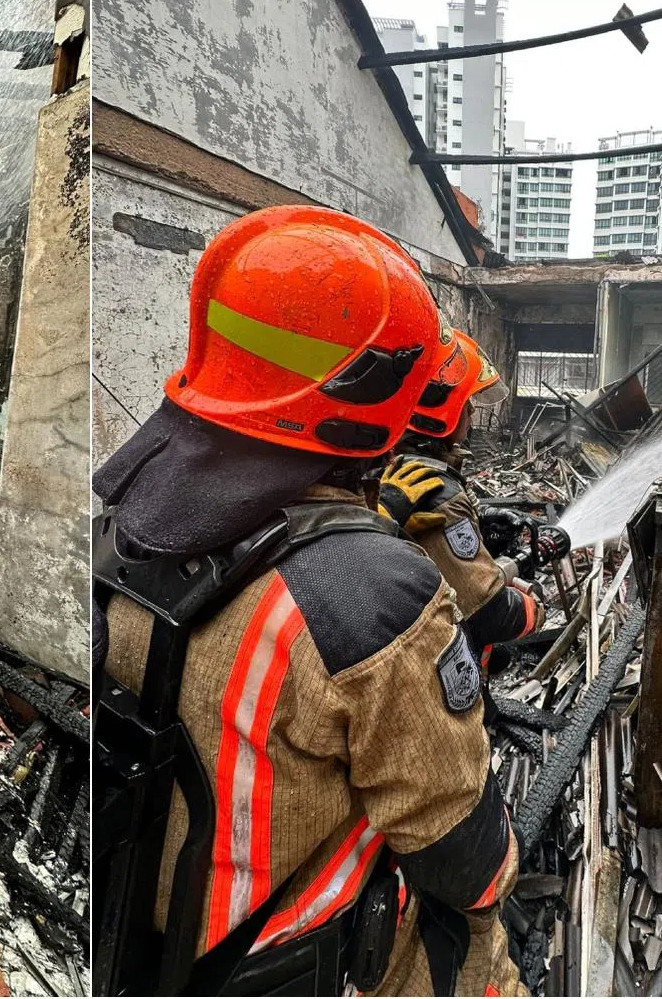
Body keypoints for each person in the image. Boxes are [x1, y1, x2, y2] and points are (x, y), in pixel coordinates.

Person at [92, 206, 523, 996]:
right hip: (290, 966)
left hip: (134, 941)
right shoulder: (372, 598)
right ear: (377, 387)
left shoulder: (118, 526)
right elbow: (460, 855)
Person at [377, 329, 545, 666]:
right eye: (465, 403)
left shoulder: (391, 464)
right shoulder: (434, 486)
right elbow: (487, 613)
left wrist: (478, 521)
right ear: (441, 410)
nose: (470, 413)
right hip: (432, 663)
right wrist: (535, 608)